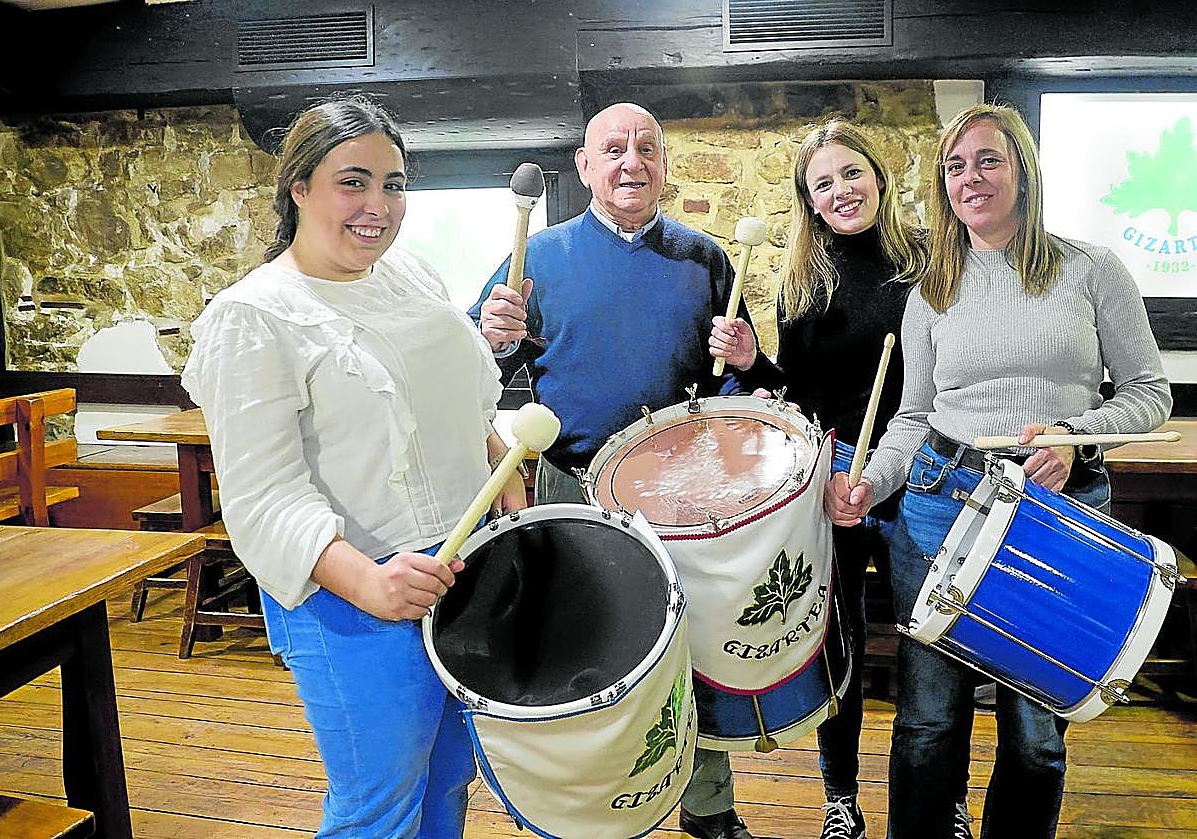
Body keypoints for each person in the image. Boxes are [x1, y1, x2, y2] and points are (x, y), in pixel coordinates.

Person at [181, 96, 527, 838]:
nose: (379, 205)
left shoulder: (410, 275)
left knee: (448, 778)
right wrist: (370, 583)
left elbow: (454, 394)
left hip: (462, 565)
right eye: (353, 182)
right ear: (299, 188)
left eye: (393, 184)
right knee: (379, 804)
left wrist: (494, 452)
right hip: (352, 590)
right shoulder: (253, 318)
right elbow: (262, 498)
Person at [825, 103, 1172, 839]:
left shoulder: (1091, 269)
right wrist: (871, 483)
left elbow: (1149, 393)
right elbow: (913, 418)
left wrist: (1075, 435)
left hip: (1059, 509)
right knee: (927, 721)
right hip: (941, 501)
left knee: (1036, 735)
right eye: (955, 167)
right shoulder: (932, 291)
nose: (970, 179)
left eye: (988, 160)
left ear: (1024, 171)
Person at [470, 102, 755, 839]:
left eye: (647, 148)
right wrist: (491, 335)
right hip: (571, 485)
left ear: (663, 164)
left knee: (692, 648)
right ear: (586, 167)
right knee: (589, 646)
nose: (632, 162)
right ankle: (598, 805)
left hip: (682, 488)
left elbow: (734, 378)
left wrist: (748, 363)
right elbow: (475, 362)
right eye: (614, 149)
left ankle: (708, 803)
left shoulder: (705, 259)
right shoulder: (539, 257)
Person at [710, 118, 929, 839]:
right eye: (823, 183)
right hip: (836, 479)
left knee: (931, 647)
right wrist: (753, 364)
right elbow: (799, 396)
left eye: (852, 173)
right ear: (809, 200)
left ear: (879, 176)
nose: (841, 191)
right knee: (841, 643)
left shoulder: (929, 263)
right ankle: (841, 798)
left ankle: (940, 800)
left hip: (922, 475)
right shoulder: (804, 280)